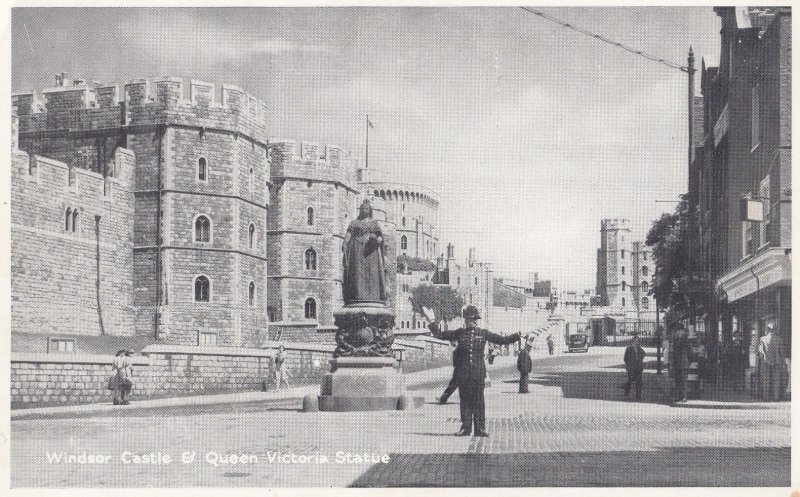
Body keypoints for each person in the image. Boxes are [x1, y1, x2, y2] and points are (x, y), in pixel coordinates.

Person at [426, 305, 520, 437]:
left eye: (476, 319)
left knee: (479, 402)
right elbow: (440, 335)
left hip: (478, 374)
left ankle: (480, 428)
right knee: (464, 401)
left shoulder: (483, 333)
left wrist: (517, 336)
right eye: (471, 319)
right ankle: (465, 428)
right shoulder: (459, 333)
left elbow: (502, 340)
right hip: (463, 374)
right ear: (466, 320)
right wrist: (431, 321)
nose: (474, 321)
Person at [342, 199, 387, 304]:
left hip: (371, 251)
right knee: (357, 272)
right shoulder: (355, 223)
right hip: (357, 249)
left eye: (366, 209)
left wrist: (378, 239)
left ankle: (373, 296)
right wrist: (345, 243)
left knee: (372, 272)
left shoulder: (374, 223)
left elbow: (380, 236)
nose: (364, 210)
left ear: (369, 210)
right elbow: (348, 235)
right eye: (362, 209)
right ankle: (357, 295)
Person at [758, 323, 785, 401]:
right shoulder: (779, 339)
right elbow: (781, 352)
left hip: (766, 362)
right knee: (776, 380)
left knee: (766, 379)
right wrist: (782, 362)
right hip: (777, 362)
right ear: (774, 330)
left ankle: (766, 397)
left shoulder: (762, 339)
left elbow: (760, 352)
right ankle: (776, 398)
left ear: (767, 329)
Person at [621, 333, 646, 400]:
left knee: (639, 382)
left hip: (639, 367)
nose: (637, 342)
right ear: (633, 341)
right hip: (631, 368)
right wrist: (630, 364)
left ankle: (638, 396)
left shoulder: (639, 348)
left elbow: (644, 353)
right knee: (630, 380)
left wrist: (640, 360)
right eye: (636, 340)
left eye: (638, 341)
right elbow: (625, 358)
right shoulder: (629, 348)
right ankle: (626, 390)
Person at [671, 324, 691, 403]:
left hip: (684, 364)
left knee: (683, 381)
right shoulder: (676, 340)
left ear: (683, 331)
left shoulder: (686, 340)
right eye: (677, 331)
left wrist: (688, 362)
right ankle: (679, 397)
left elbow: (690, 353)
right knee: (677, 381)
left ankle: (684, 397)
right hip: (677, 364)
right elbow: (674, 353)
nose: (677, 332)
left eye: (679, 331)